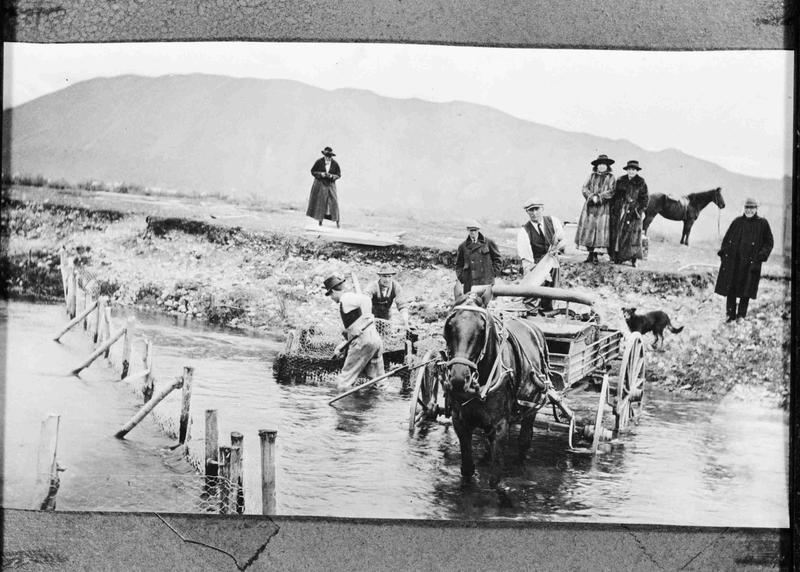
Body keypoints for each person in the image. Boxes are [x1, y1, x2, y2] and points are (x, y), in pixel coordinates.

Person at [714, 197, 774, 322]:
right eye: (747, 207)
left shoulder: (762, 223)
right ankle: (730, 315)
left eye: (752, 208)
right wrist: (724, 253)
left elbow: (769, 242)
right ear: (744, 208)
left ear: (756, 209)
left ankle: (741, 316)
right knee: (731, 288)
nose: (749, 210)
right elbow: (727, 238)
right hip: (734, 262)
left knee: (746, 290)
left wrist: (761, 255)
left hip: (750, 263)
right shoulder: (737, 222)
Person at [324, 274, 385, 389]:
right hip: (374, 340)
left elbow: (366, 299)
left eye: (330, 295)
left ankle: (343, 399)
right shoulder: (349, 301)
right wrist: (342, 345)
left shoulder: (346, 298)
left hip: (363, 342)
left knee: (345, 381)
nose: (331, 298)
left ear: (333, 291)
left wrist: (367, 318)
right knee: (379, 381)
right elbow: (352, 329)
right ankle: (381, 398)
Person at [516, 196, 566, 311]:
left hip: (553, 262)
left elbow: (562, 240)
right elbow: (526, 257)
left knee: (551, 292)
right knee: (532, 293)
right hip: (535, 265)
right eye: (531, 210)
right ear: (527, 212)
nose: (534, 213)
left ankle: (548, 312)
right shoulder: (524, 231)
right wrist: (533, 271)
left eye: (536, 209)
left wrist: (557, 247)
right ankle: (531, 311)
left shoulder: (553, 221)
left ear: (542, 209)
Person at [575, 154, 616, 263]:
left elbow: (612, 190)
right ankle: (590, 254)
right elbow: (585, 188)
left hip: (603, 208)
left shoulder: (611, 177)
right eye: (600, 164)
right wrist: (591, 196)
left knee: (599, 230)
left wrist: (600, 197)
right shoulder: (591, 176)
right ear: (596, 166)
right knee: (589, 229)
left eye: (604, 164)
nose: (601, 166)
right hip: (590, 208)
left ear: (607, 166)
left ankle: (596, 255)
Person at [610, 160, 649, 266]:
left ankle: (634, 259)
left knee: (633, 236)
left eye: (634, 170)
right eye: (630, 169)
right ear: (627, 170)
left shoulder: (641, 182)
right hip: (621, 210)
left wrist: (637, 210)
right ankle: (619, 257)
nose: (631, 171)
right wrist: (615, 207)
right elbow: (615, 196)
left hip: (634, 213)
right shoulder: (621, 180)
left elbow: (645, 199)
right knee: (620, 234)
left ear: (637, 171)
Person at [455, 220, 503, 295]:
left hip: (486, 281)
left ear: (478, 230)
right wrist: (461, 277)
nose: (473, 232)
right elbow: (459, 264)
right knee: (470, 301)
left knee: (486, 300)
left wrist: (493, 273)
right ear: (468, 230)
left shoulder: (488, 242)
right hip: (470, 282)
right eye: (471, 230)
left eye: (475, 230)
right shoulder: (463, 246)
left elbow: (498, 259)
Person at [306, 146, 342, 228]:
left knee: (334, 202)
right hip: (320, 185)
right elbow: (313, 171)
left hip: (331, 185)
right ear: (324, 155)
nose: (328, 158)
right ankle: (320, 221)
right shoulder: (319, 161)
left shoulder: (335, 163)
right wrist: (321, 174)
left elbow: (338, 174)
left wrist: (332, 176)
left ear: (331, 156)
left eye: (329, 156)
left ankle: (337, 222)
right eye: (326, 156)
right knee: (321, 202)